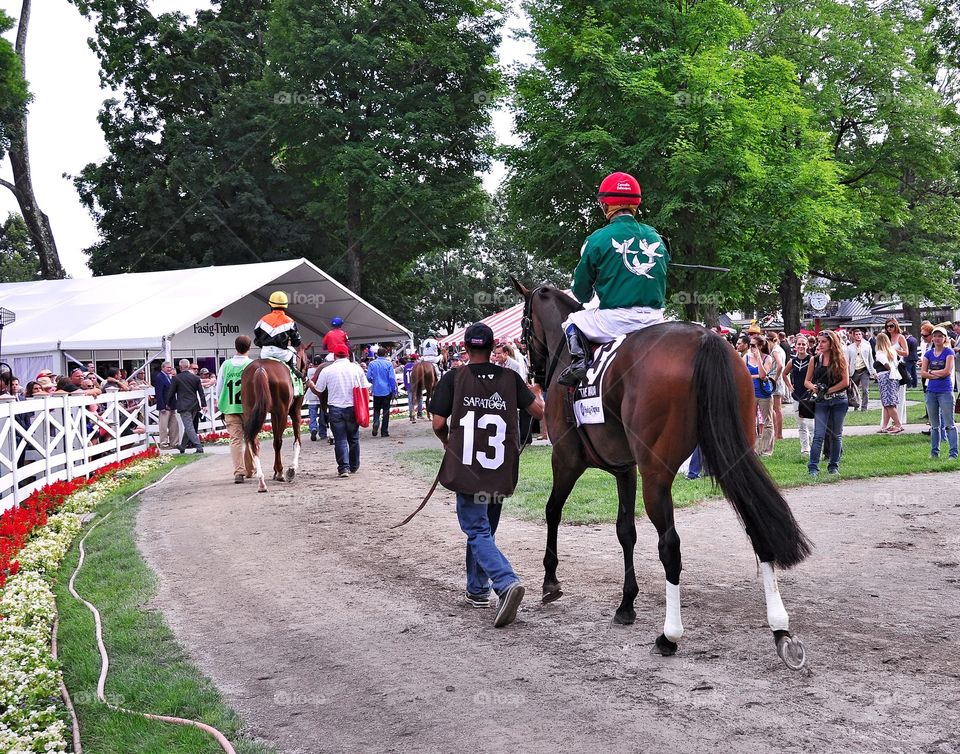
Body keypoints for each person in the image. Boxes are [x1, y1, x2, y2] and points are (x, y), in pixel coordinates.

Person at [429, 322, 545, 627]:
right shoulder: (511, 378)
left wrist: (447, 443)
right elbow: (539, 412)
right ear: (493, 347)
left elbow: (438, 423)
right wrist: (535, 392)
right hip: (499, 469)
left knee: (477, 531)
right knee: (484, 532)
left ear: (465, 348)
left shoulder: (454, 378)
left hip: (468, 470)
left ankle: (506, 583)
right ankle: (477, 590)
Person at [558, 171, 669, 386]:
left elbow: (581, 292)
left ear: (606, 204)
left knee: (572, 321)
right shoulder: (657, 237)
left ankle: (579, 364)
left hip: (616, 320)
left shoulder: (597, 239)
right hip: (656, 319)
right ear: (635, 203)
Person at [313, 344, 371, 478]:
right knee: (354, 438)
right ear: (348, 355)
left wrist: (311, 386)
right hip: (353, 407)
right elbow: (365, 388)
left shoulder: (327, 370)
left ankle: (343, 468)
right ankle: (354, 465)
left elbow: (319, 390)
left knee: (340, 440)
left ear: (334, 356)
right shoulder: (356, 368)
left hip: (335, 408)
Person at [804, 330, 850, 477]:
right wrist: (814, 387)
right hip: (821, 402)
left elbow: (845, 382)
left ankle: (833, 466)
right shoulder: (815, 360)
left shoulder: (841, 359)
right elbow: (807, 381)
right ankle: (813, 468)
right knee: (818, 435)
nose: (820, 344)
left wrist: (828, 390)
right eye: (819, 341)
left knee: (836, 435)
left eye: (823, 341)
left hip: (839, 400)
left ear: (832, 343)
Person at [216, 335, 254, 483]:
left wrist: (220, 403)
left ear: (235, 347)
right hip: (248, 408)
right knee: (251, 438)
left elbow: (219, 387)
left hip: (230, 406)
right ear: (249, 347)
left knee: (235, 440)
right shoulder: (252, 364)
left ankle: (239, 472)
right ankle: (250, 469)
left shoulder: (225, 365)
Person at [920, 326, 958, 459]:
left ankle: (953, 453)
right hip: (931, 391)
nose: (937, 338)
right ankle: (934, 453)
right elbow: (923, 373)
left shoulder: (949, 352)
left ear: (945, 338)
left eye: (940, 336)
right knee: (935, 426)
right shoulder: (928, 354)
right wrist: (936, 374)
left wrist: (931, 372)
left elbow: (947, 371)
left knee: (949, 424)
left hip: (945, 391)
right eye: (935, 336)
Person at [254, 291, 304, 380]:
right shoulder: (290, 321)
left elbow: (257, 339)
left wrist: (263, 344)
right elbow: (297, 341)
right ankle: (294, 369)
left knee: (259, 362)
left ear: (270, 305)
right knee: (293, 352)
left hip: (265, 353)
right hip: (282, 354)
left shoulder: (262, 320)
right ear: (285, 306)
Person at [744, 335, 776, 456]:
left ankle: (766, 450)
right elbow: (743, 375)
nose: (751, 347)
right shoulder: (746, 357)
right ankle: (754, 448)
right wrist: (755, 376)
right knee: (751, 421)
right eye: (750, 345)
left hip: (763, 392)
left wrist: (758, 358)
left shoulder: (767, 358)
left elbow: (763, 375)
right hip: (750, 393)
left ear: (761, 346)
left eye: (753, 345)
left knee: (767, 421)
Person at [167, 358, 206, 454]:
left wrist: (167, 403)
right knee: (189, 426)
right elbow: (201, 392)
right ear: (188, 367)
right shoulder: (196, 378)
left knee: (189, 427)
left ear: (180, 367)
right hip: (194, 405)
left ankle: (199, 447)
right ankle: (182, 446)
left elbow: (171, 393)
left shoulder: (176, 378)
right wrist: (204, 404)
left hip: (184, 406)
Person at [786, 337, 814, 456]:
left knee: (811, 424)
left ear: (807, 345)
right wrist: (789, 386)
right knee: (801, 424)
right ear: (795, 345)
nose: (801, 346)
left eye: (803, 344)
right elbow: (784, 374)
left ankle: (816, 449)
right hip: (796, 395)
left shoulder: (812, 359)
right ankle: (805, 450)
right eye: (799, 344)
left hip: (809, 396)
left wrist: (812, 387)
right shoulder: (792, 361)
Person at [873, 332, 904, 434]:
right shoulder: (892, 351)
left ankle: (898, 424)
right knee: (888, 404)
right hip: (894, 378)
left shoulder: (880, 353)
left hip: (886, 378)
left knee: (889, 404)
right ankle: (884, 426)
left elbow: (886, 364)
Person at [366, 347, 398, 437]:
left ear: (377, 354)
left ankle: (376, 422)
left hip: (376, 390)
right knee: (386, 411)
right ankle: (384, 431)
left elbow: (368, 377)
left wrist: (374, 381)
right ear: (385, 354)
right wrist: (394, 390)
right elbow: (391, 378)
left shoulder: (372, 363)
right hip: (386, 390)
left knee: (376, 409)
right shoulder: (388, 364)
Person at [844, 328, 876, 411]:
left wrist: (873, 371)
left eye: (859, 334)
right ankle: (856, 405)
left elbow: (870, 359)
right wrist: (847, 373)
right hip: (854, 371)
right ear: (853, 336)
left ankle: (864, 408)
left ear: (862, 335)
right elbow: (847, 361)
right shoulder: (849, 348)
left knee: (865, 390)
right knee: (854, 390)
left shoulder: (867, 346)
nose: (858, 336)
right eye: (856, 334)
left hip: (864, 370)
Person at [152, 361, 179, 449]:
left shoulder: (169, 377)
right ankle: (163, 444)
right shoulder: (159, 377)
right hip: (164, 406)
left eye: (170, 367)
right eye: (168, 367)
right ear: (163, 368)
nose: (169, 369)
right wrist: (162, 406)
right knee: (163, 426)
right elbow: (158, 393)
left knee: (174, 425)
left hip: (172, 405)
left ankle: (174, 443)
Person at [305, 355, 331, 443]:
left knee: (312, 416)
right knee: (322, 416)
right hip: (321, 395)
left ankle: (313, 428)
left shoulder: (309, 371)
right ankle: (323, 433)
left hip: (311, 396)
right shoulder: (323, 370)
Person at [402, 353, 422, 422]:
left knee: (410, 400)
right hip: (417, 385)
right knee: (419, 398)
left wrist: (405, 385)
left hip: (409, 384)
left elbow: (404, 377)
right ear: (416, 359)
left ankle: (411, 415)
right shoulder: (417, 365)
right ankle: (419, 414)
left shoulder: (406, 366)